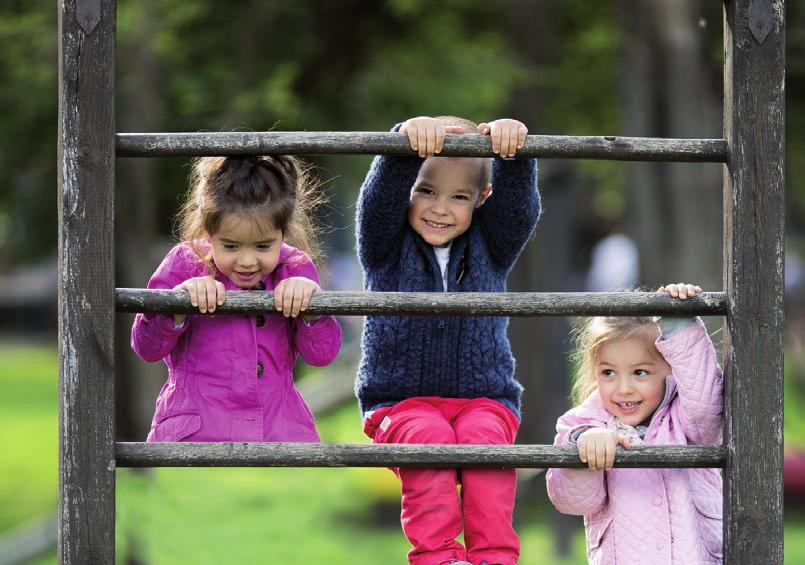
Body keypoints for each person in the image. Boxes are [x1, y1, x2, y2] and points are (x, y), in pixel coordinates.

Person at [355, 115, 541, 565]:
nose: (440, 208)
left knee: (484, 443)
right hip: (399, 402)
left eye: (458, 197)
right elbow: (376, 203)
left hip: (485, 398)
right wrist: (404, 142)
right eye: (426, 191)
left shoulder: (491, 246)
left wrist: (514, 152)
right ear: (407, 190)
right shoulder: (384, 246)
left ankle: (494, 558)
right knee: (429, 438)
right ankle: (439, 558)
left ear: (481, 199)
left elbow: (520, 210)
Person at [131, 155, 341, 442]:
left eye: (263, 246)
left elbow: (323, 355)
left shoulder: (294, 269)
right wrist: (177, 306)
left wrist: (311, 308)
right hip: (196, 433)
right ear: (209, 231)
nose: (246, 260)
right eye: (230, 246)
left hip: (278, 431)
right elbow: (146, 348)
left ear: (283, 233)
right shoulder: (185, 264)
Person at [546, 283, 723, 564]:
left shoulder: (686, 419)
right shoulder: (584, 423)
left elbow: (708, 405)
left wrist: (678, 321)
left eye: (640, 372)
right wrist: (585, 446)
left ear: (671, 368)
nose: (624, 388)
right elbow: (573, 501)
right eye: (608, 373)